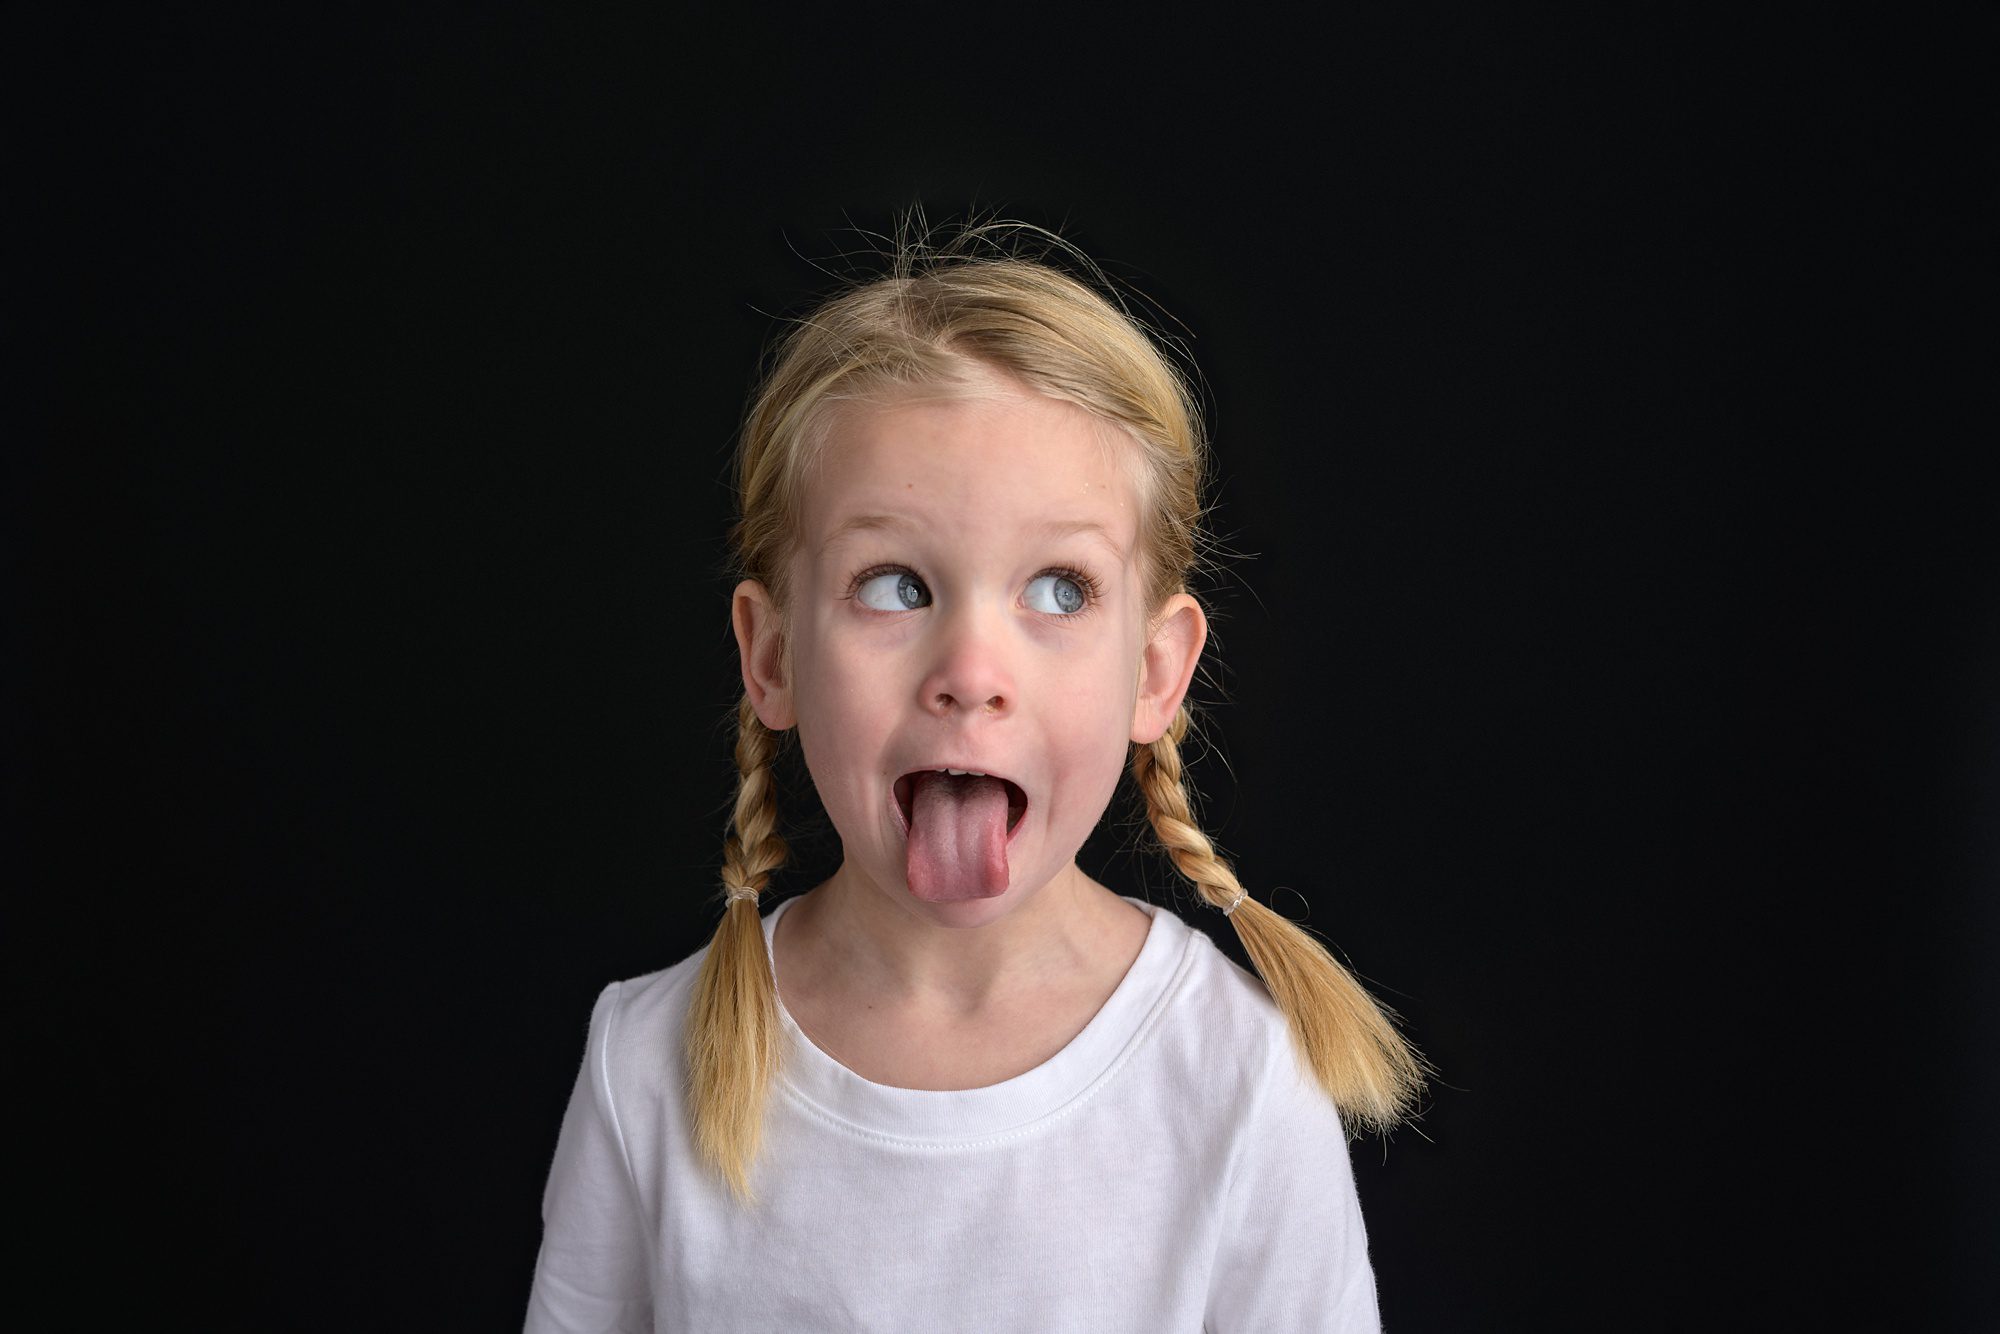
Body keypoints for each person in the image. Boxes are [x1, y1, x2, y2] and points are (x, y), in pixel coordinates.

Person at [523, 222, 1424, 1333]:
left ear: (1154, 672)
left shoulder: (1237, 1078)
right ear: (770, 656)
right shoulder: (648, 1062)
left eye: (1057, 590)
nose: (968, 674)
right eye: (894, 585)